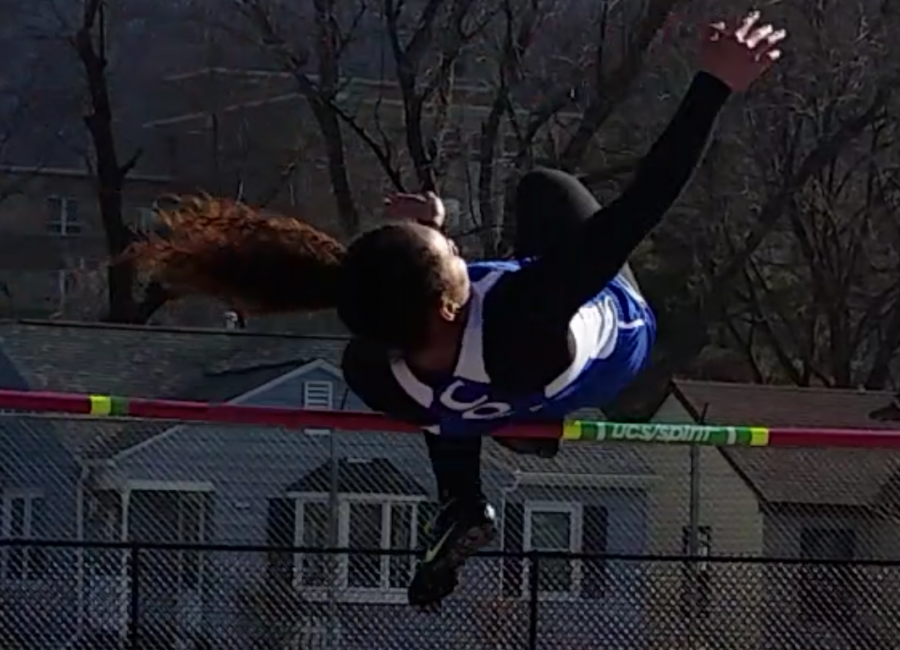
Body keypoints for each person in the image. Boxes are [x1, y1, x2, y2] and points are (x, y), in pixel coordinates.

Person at [127, 10, 784, 612]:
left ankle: (464, 498)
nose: (452, 243)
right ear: (446, 298)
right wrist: (713, 84)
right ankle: (510, 428)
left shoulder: (373, 369)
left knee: (448, 403)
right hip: (613, 348)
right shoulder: (530, 305)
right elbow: (642, 204)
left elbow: (424, 321)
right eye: (447, 248)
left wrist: (433, 251)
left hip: (491, 386)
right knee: (544, 190)